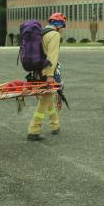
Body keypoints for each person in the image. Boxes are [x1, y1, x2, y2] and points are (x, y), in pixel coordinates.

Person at [27, 12, 66, 140]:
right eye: (63, 26)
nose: (62, 30)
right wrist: (50, 75)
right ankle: (34, 130)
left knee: (48, 97)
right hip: (46, 73)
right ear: (59, 25)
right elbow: (52, 57)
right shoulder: (54, 35)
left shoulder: (42, 33)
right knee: (45, 100)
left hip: (37, 72)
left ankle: (55, 125)